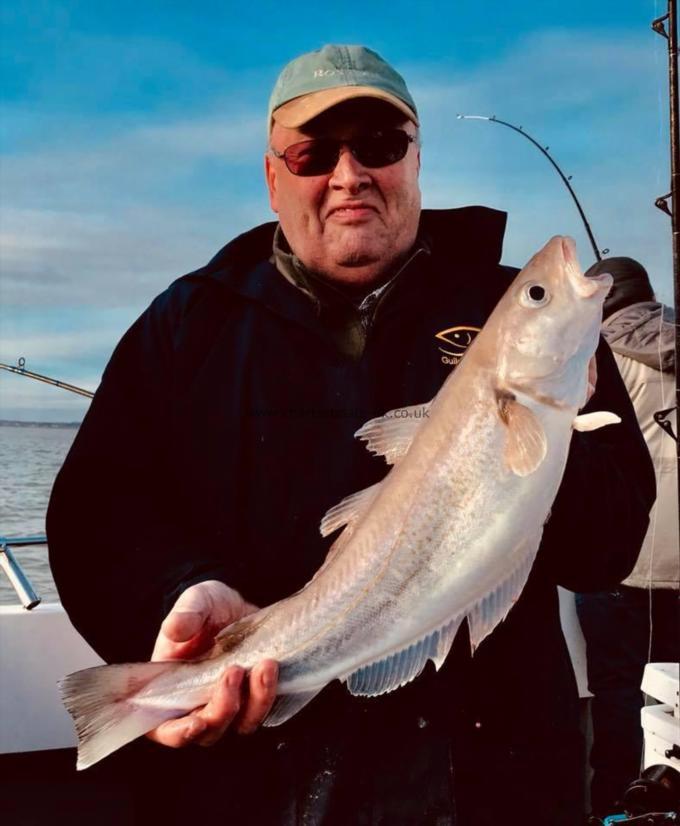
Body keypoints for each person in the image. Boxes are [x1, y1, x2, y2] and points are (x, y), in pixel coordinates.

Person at [47, 45, 655, 825]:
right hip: (253, 781)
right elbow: (99, 512)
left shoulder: (514, 311)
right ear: (274, 176)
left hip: (492, 782)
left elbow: (609, 550)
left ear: (414, 161)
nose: (348, 175)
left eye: (379, 145)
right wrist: (176, 592)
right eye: (313, 153)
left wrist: (554, 427)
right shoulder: (189, 326)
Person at [575, 257, 679, 820]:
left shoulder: (596, 358)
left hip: (619, 562)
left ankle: (616, 806)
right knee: (676, 699)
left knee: (617, 691)